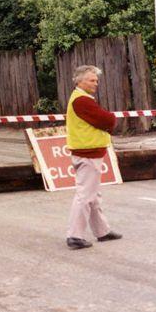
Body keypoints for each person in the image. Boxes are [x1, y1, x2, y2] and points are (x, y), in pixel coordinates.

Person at [65, 65, 122, 250]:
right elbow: (107, 120)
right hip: (87, 153)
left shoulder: (81, 98)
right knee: (85, 195)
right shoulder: (82, 101)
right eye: (91, 80)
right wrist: (110, 120)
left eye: (96, 80)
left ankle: (102, 231)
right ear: (79, 81)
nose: (95, 83)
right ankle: (74, 236)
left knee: (93, 195)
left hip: (88, 152)